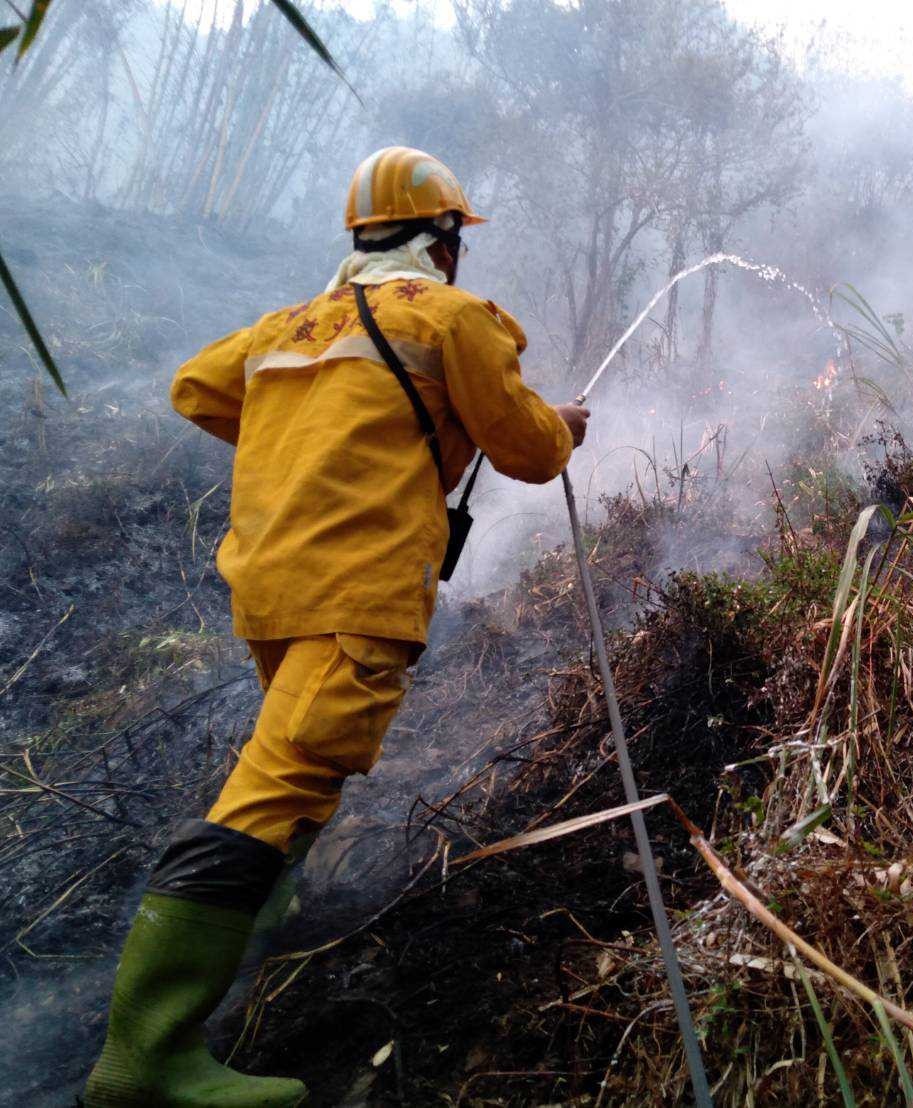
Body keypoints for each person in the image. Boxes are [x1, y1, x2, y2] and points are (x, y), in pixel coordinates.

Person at [84, 146, 588, 1107]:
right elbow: (528, 450)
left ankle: (261, 930)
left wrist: (309, 432)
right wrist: (560, 424)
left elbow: (196, 386)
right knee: (282, 781)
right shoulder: (450, 316)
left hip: (270, 588)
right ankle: (143, 1060)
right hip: (356, 592)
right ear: (443, 239)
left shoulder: (289, 325)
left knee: (295, 766)